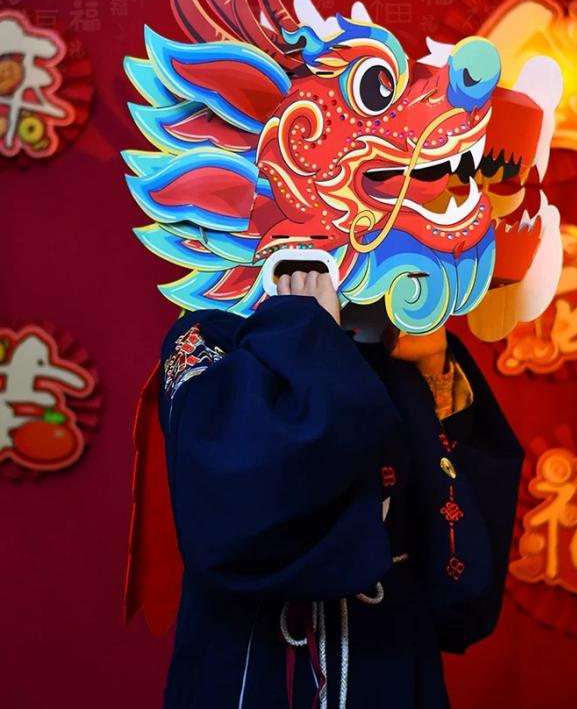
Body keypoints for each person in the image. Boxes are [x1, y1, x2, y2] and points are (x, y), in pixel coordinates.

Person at [158, 269, 525, 709]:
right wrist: (305, 330)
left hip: (388, 647)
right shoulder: (203, 338)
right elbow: (235, 504)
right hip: (255, 652)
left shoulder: (399, 342)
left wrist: (432, 367)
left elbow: (454, 548)